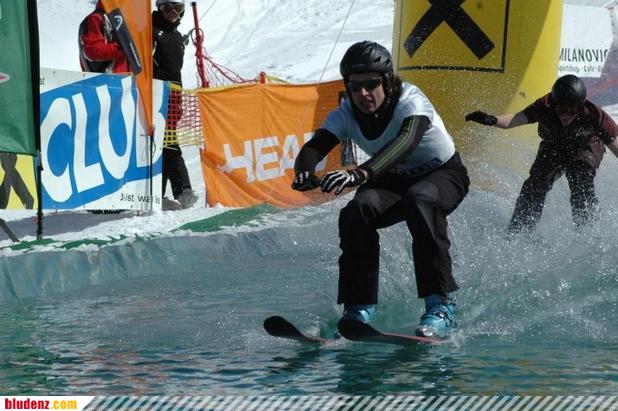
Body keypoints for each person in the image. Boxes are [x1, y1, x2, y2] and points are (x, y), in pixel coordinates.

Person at [292, 41, 470, 338]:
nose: (363, 93)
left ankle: (440, 306)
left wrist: (360, 173)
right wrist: (305, 173)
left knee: (420, 199)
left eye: (371, 84)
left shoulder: (410, 100)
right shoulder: (346, 113)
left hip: (443, 174)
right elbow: (315, 147)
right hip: (391, 179)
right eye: (355, 87)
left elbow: (405, 142)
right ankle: (358, 308)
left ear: (386, 81)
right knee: (356, 212)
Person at [465, 74, 618, 232]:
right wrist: (492, 120)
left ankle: (588, 229)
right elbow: (516, 119)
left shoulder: (594, 114)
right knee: (536, 183)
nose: (565, 115)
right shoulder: (544, 106)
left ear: (580, 105)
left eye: (572, 110)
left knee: (580, 176)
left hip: (586, 146)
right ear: (554, 104)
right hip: (554, 145)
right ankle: (519, 229)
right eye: (561, 109)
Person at [153, 0, 198, 210]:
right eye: (167, 8)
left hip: (172, 100)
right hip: (154, 99)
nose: (172, 12)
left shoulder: (177, 36)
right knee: (165, 145)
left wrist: (177, 103)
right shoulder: (152, 32)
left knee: (166, 145)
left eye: (177, 8)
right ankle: (182, 191)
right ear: (159, 8)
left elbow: (174, 73)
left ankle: (161, 194)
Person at [79, 0, 130, 73]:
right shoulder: (95, 18)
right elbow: (92, 51)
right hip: (108, 76)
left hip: (127, 76)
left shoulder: (122, 19)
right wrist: (121, 47)